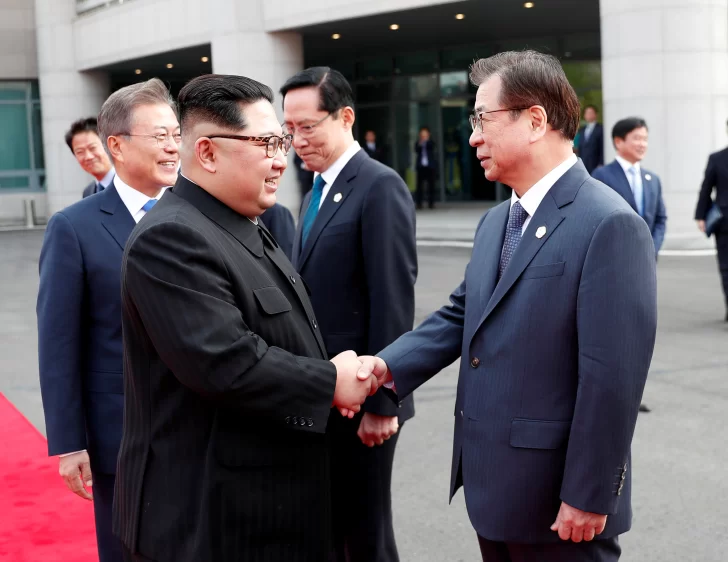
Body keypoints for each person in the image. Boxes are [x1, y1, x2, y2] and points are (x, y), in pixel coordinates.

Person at [359, 50, 657, 562]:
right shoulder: (496, 221)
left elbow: (613, 379)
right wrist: (384, 367)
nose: (473, 137)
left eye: (483, 119)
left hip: (559, 504)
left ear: (535, 120)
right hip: (493, 488)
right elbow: (462, 313)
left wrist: (589, 493)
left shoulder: (609, 223)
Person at [113, 73, 377, 562]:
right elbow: (225, 362)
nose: (282, 159)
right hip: (211, 522)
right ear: (208, 152)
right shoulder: (171, 237)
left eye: (282, 142)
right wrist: (330, 381)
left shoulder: (242, 222)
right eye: (267, 143)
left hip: (269, 508)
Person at [37, 78, 180, 562]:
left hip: (200, 431)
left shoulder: (199, 214)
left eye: (176, 134)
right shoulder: (74, 227)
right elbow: (58, 342)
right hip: (119, 437)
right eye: (159, 136)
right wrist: (69, 443)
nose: (172, 146)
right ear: (116, 145)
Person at [281, 67, 417, 562]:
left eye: (308, 126)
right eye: (289, 129)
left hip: (364, 399)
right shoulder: (314, 191)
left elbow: (392, 300)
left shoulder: (379, 186)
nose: (297, 140)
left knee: (365, 534)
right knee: (333, 527)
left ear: (345, 117)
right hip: (325, 394)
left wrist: (384, 403)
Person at [592, 118, 667, 258]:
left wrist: (652, 249)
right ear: (618, 142)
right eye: (637, 138)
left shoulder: (653, 180)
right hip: (615, 258)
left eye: (645, 139)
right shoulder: (601, 176)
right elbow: (596, 220)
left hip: (647, 260)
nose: (642, 144)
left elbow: (660, 219)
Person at [695, 122, 728, 321]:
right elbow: (706, 188)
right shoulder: (716, 158)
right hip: (724, 223)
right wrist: (701, 215)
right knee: (726, 268)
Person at [64, 117, 115, 197]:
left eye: (92, 148)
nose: (88, 157)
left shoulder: (130, 183)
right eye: (80, 152)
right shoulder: (88, 192)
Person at [575, 105, 603, 173]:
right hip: (584, 165)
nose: (588, 115)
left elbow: (602, 147)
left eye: (590, 113)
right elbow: (580, 148)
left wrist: (601, 163)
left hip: (596, 165)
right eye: (587, 113)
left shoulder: (601, 129)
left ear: (596, 114)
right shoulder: (582, 130)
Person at [415, 126, 437, 209]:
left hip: (430, 167)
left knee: (431, 186)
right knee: (419, 186)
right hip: (421, 167)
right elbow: (416, 149)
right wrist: (421, 142)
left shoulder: (430, 142)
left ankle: (431, 203)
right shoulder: (418, 142)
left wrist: (426, 141)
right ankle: (419, 203)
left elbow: (432, 147)